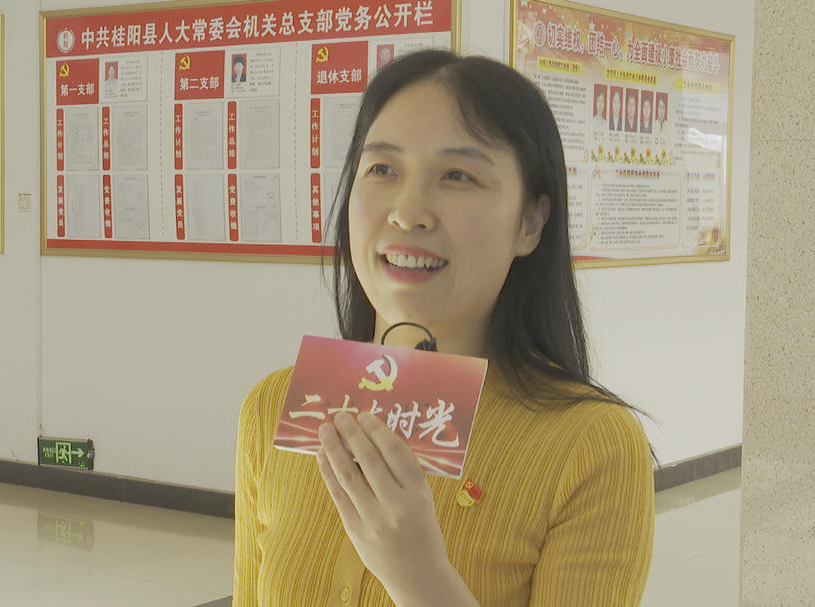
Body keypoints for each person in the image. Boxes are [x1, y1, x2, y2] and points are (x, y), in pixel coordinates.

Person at [235, 50, 654, 607]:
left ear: (530, 222)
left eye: (458, 176)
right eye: (382, 169)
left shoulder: (590, 447)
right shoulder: (274, 406)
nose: (408, 212)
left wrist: (419, 577)